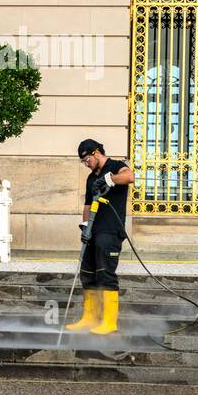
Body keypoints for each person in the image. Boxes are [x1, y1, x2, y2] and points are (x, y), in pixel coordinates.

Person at [65, 139, 134, 335]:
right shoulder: (90, 178)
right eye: (83, 161)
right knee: (88, 273)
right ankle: (89, 318)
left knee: (105, 274)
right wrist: (85, 227)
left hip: (111, 231)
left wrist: (110, 179)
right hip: (93, 232)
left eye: (87, 159)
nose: (85, 163)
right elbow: (87, 205)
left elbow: (129, 177)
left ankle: (109, 322)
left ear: (96, 153)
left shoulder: (116, 166)